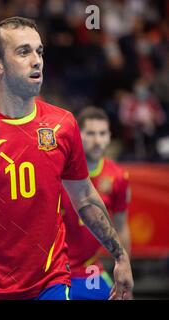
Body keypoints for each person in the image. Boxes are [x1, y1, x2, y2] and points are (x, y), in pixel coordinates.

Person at [0, 16, 133, 300]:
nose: (37, 60)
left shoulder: (62, 125)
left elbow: (85, 197)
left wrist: (120, 256)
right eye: (24, 51)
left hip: (50, 281)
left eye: (39, 51)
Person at [62, 107, 132, 300]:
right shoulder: (59, 171)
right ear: (78, 136)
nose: (97, 140)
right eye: (90, 133)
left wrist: (126, 270)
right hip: (55, 268)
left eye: (102, 133)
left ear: (109, 136)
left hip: (89, 268)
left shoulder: (119, 177)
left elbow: (121, 227)